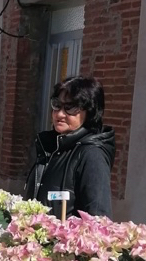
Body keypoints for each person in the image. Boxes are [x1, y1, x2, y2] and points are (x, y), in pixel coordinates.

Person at [24, 76, 116, 218]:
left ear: (90, 112)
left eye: (70, 108)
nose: (60, 114)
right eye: (56, 105)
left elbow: (99, 219)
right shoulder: (50, 148)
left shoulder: (91, 155)